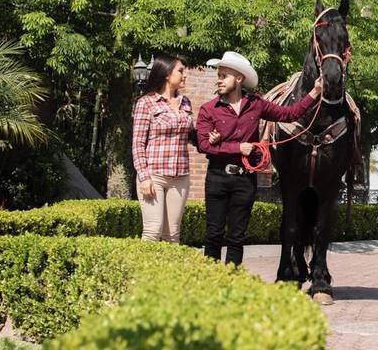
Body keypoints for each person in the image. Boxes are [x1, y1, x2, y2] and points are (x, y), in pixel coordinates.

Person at [196, 51, 322, 265]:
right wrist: (238, 148)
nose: (219, 80)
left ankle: (232, 285)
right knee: (213, 234)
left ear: (239, 78)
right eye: (219, 75)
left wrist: (314, 92)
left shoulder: (257, 104)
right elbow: (203, 145)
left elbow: (289, 114)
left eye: (223, 75)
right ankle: (211, 284)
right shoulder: (209, 110)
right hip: (217, 178)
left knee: (237, 237)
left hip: (245, 180)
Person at [131, 54, 193, 243]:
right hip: (154, 176)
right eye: (180, 71)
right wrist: (144, 177)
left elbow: (190, 136)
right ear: (167, 74)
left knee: (173, 234)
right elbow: (138, 143)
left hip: (180, 176)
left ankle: (170, 273)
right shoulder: (146, 103)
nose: (184, 75)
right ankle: (143, 273)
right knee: (152, 230)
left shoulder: (186, 103)